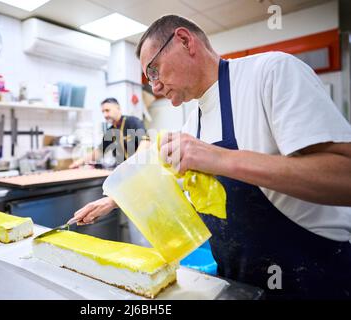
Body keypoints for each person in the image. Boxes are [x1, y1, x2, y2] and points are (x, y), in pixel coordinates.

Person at [72, 15, 351, 299]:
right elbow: (171, 185)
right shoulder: (193, 122)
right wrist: (115, 199)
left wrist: (221, 159)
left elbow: (345, 177)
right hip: (239, 285)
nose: (154, 87)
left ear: (184, 40)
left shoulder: (271, 73)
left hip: (313, 279)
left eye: (154, 71)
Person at [69, 97, 150, 169]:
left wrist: (133, 163)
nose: (105, 115)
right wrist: (78, 162)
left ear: (118, 108)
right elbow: (99, 152)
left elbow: (145, 142)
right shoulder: (110, 131)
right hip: (123, 172)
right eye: (103, 112)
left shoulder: (132, 121)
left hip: (140, 169)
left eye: (107, 110)